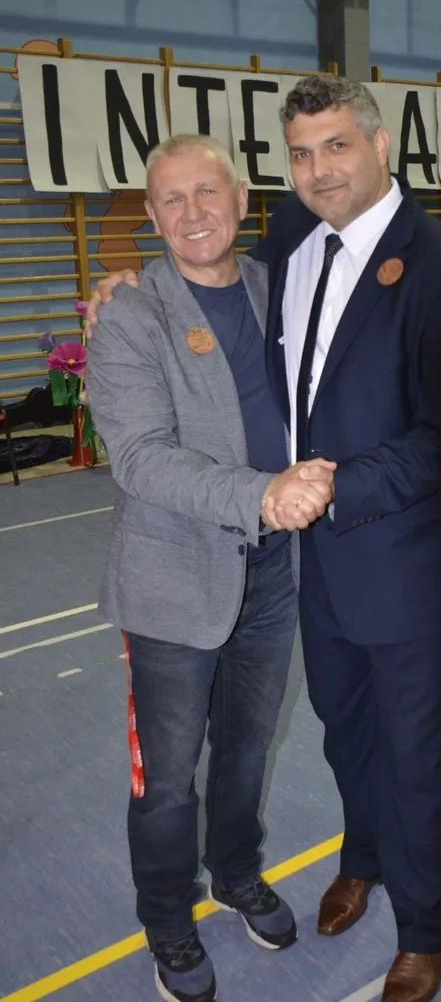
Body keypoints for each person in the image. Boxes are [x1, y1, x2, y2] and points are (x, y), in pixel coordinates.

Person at [89, 75, 441, 1002]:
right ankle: (339, 865)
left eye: (336, 146)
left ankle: (424, 928)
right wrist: (122, 282)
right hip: (270, 567)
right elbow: (147, 439)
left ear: (379, 144)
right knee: (330, 737)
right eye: (302, 153)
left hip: (398, 563)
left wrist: (319, 492)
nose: (319, 169)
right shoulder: (286, 242)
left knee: (411, 755)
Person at [85, 133, 337, 1002]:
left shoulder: (282, 291)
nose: (192, 212)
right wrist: (263, 494)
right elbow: (140, 458)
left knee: (244, 749)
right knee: (167, 779)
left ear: (240, 201)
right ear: (153, 218)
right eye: (171, 199)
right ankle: (166, 919)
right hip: (172, 584)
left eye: (206, 192)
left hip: (273, 574)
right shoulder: (129, 314)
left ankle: (234, 874)